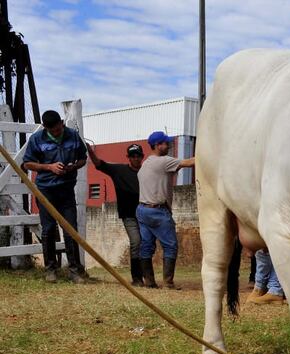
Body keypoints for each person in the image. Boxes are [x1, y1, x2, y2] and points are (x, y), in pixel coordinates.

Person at [22, 110, 88, 284]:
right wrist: (49, 167)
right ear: (45, 128)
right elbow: (27, 163)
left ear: (61, 122)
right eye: (53, 131)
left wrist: (73, 167)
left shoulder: (73, 136)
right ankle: (50, 269)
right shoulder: (36, 139)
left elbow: (83, 158)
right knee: (48, 230)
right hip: (46, 191)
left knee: (70, 229)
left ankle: (74, 270)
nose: (57, 132)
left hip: (66, 190)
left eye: (59, 129)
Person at [135, 131, 195, 289]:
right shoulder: (163, 161)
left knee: (146, 246)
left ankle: (149, 281)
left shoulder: (146, 164)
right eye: (165, 143)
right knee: (170, 245)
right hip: (158, 211)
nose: (168, 146)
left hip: (142, 209)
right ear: (157, 145)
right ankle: (168, 283)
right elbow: (189, 163)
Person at [86, 143, 145, 286]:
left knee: (147, 244)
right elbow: (99, 164)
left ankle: (148, 277)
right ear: (128, 157)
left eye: (138, 156)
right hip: (129, 215)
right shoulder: (119, 170)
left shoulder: (147, 172)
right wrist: (90, 151)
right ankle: (137, 278)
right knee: (136, 242)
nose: (136, 158)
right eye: (133, 156)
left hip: (146, 214)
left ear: (142, 157)